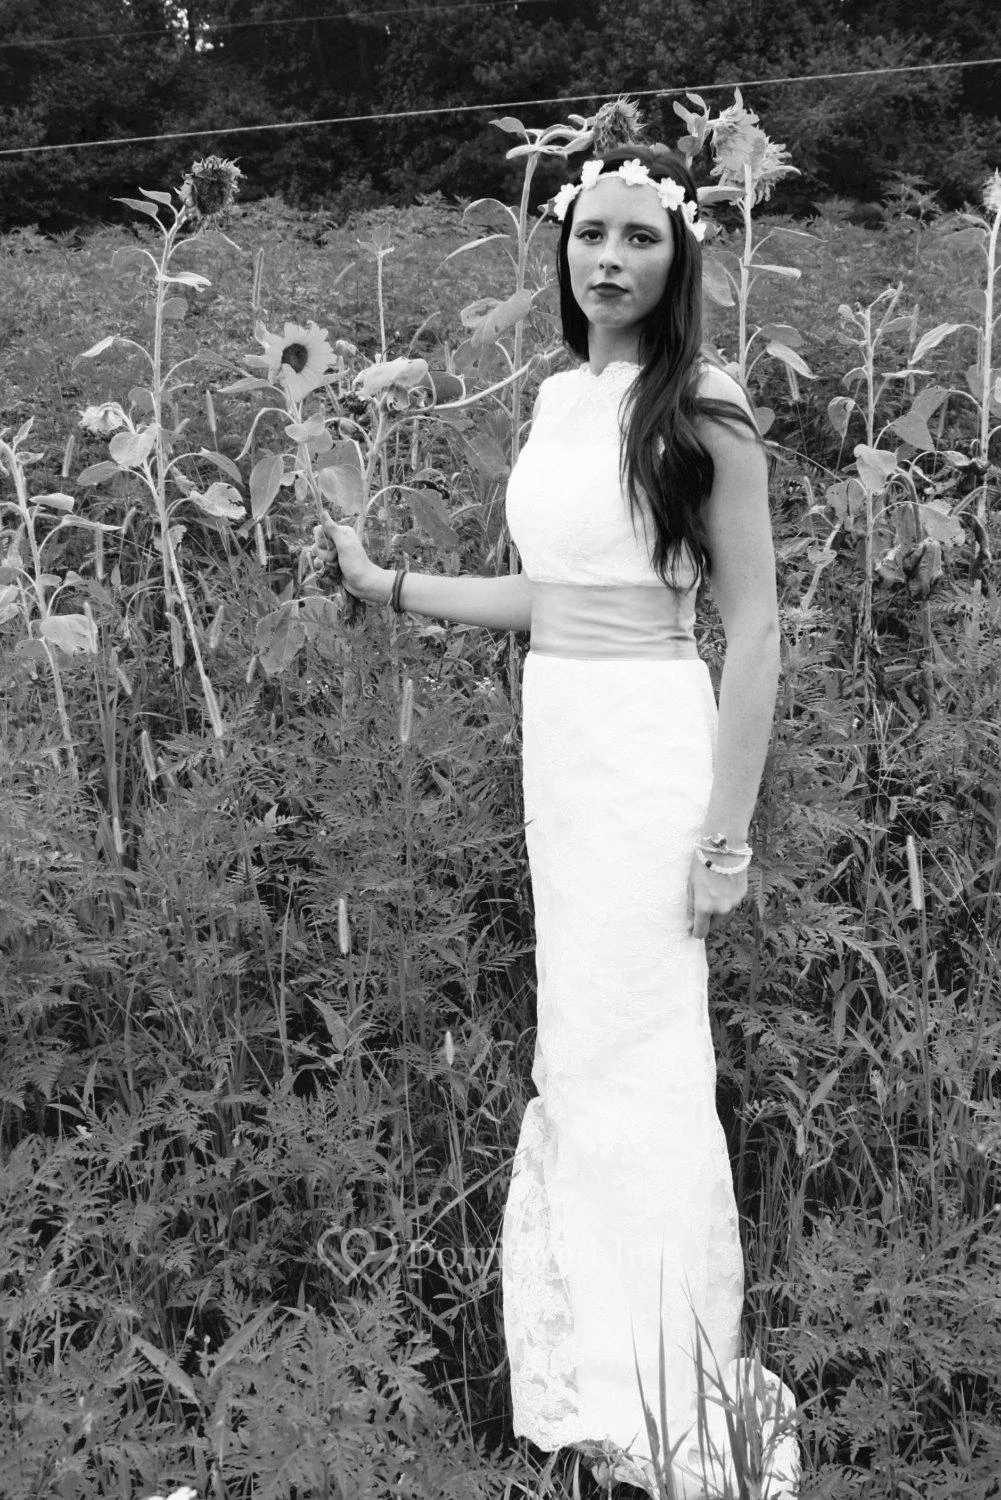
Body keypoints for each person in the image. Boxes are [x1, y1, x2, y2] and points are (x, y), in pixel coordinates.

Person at [309, 143, 799, 1499]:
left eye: (641, 237)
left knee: (646, 1053)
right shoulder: (561, 396)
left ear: (679, 257)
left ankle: (670, 1380)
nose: (610, 259)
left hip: (649, 751)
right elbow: (554, 597)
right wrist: (388, 585)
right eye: (592, 233)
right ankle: (591, 1364)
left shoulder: (703, 403)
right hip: (563, 749)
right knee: (581, 1046)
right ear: (564, 246)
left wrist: (726, 837)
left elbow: (754, 630)